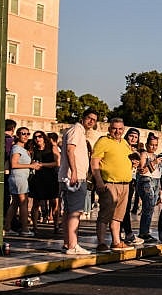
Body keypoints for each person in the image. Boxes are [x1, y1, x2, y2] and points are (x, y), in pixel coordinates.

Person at [90, 118, 135, 251]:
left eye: (120, 129)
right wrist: (98, 181)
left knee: (118, 216)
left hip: (125, 183)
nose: (117, 131)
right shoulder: (103, 141)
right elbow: (94, 162)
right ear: (109, 129)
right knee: (105, 213)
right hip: (110, 183)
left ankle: (116, 241)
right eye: (115, 128)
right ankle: (101, 242)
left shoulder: (125, 143)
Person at [60, 108, 98, 255]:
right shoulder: (76, 130)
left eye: (94, 120)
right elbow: (70, 150)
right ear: (83, 118)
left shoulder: (77, 131)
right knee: (75, 212)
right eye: (89, 118)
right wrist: (74, 171)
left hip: (71, 176)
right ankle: (73, 245)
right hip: (75, 177)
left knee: (69, 211)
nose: (91, 121)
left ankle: (68, 242)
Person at [4, 127, 40, 236]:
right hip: (19, 178)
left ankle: (7, 227)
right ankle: (24, 229)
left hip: (20, 177)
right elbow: (14, 164)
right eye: (23, 133)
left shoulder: (22, 149)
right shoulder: (17, 149)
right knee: (23, 203)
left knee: (14, 203)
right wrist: (31, 165)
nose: (25, 136)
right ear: (18, 135)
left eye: (27, 134)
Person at [137, 133, 162, 244]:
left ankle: (145, 231)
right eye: (151, 145)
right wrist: (155, 162)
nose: (153, 147)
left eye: (155, 145)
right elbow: (142, 170)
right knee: (149, 204)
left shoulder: (157, 156)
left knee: (150, 207)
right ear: (147, 144)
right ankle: (143, 232)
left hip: (156, 181)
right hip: (146, 180)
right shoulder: (144, 154)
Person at [28, 130, 60, 234]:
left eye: (40, 136)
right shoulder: (33, 149)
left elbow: (57, 163)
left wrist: (42, 165)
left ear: (44, 137)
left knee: (54, 202)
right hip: (38, 177)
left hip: (51, 176)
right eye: (35, 137)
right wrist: (33, 163)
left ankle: (56, 225)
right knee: (36, 203)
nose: (38, 139)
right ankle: (35, 226)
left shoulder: (52, 147)